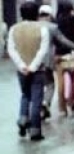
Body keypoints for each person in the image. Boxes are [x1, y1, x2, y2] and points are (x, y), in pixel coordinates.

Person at [7, 1, 51, 141]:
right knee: (37, 99)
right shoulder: (42, 29)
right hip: (38, 70)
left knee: (25, 94)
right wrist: (33, 67)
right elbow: (43, 50)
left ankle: (22, 119)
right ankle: (35, 130)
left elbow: (11, 49)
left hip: (21, 70)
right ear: (36, 14)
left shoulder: (13, 29)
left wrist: (22, 66)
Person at [37, 4, 74, 121]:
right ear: (49, 15)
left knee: (36, 85)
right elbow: (63, 40)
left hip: (32, 60)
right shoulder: (52, 27)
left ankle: (35, 108)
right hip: (47, 60)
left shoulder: (33, 26)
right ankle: (45, 103)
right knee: (50, 84)